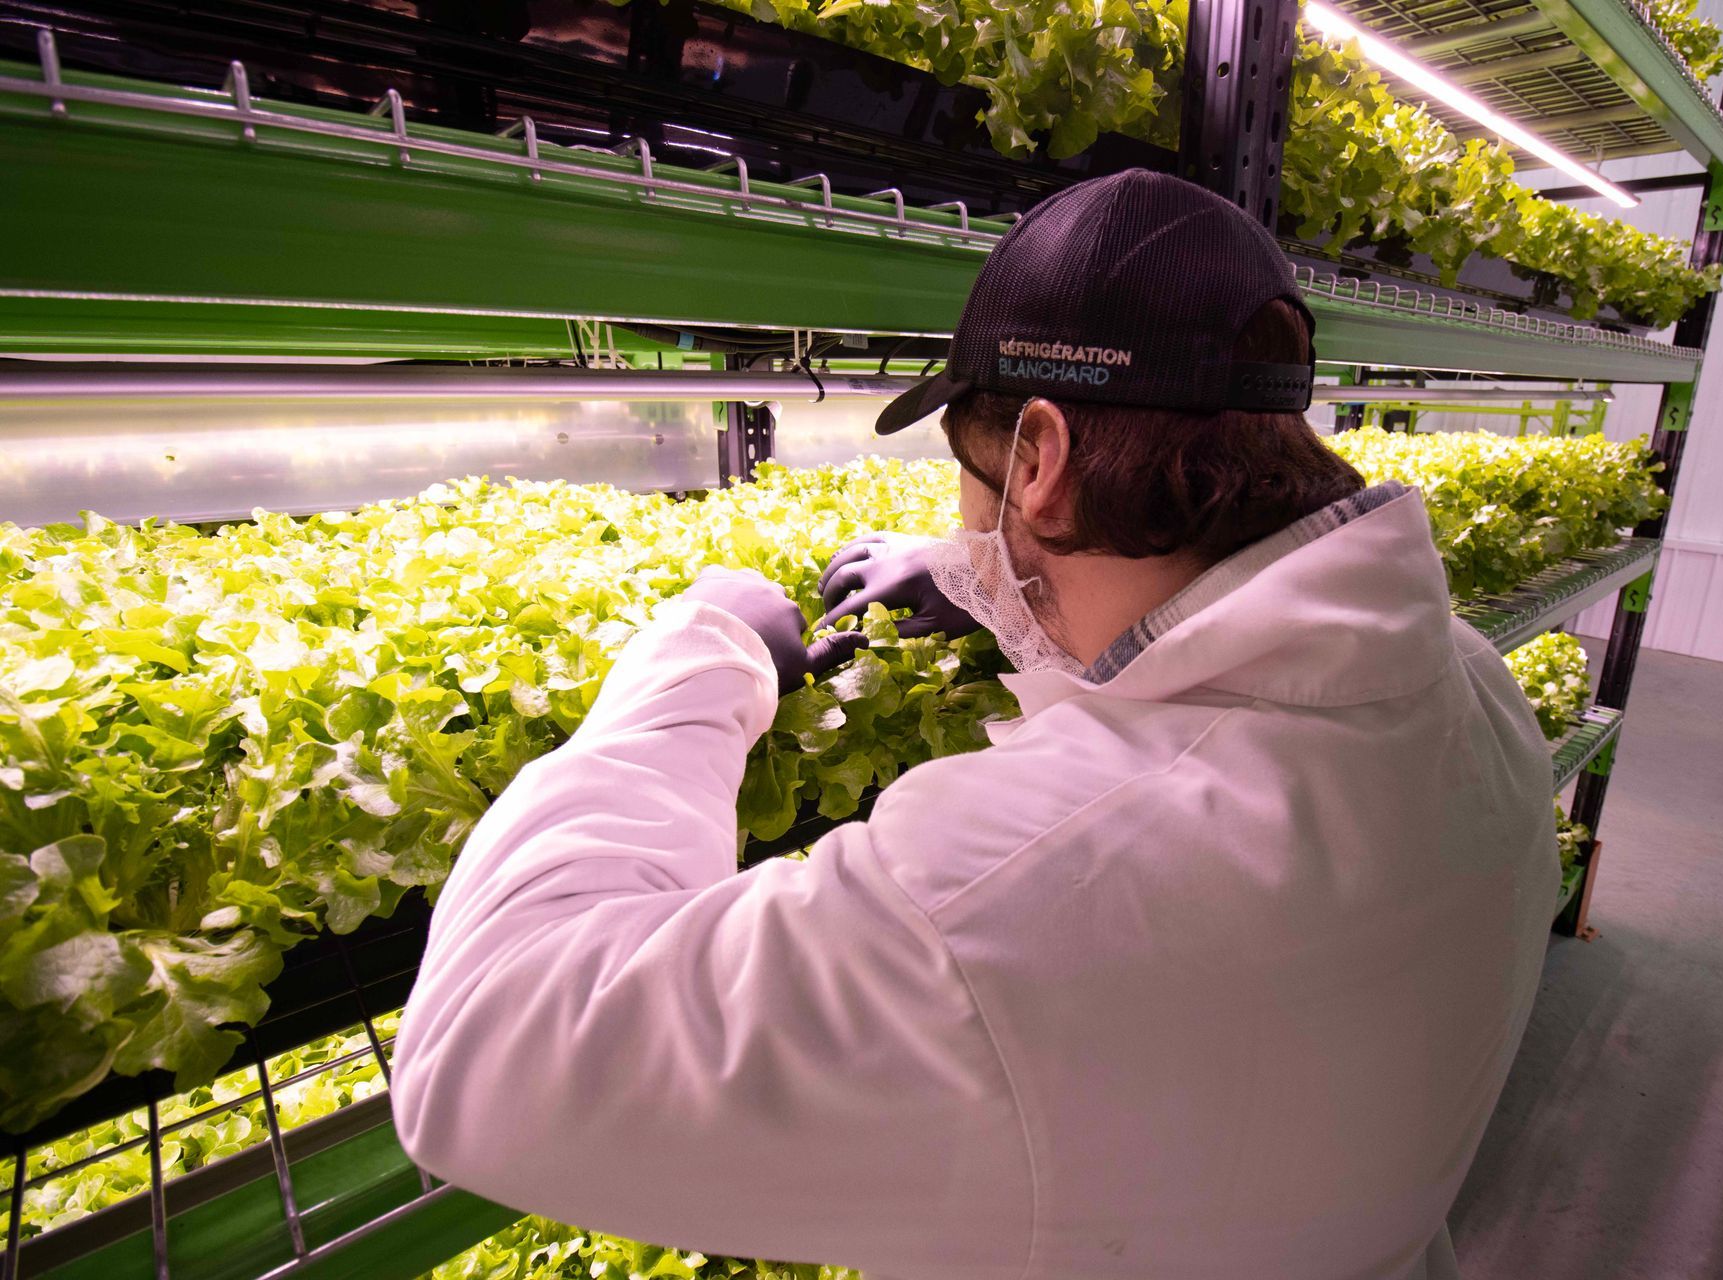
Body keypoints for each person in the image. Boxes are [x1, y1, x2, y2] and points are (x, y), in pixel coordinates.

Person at [391, 169, 1559, 1280]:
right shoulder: (1465, 689)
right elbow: (1191, 657)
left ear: (1041, 459)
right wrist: (990, 580)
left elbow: (486, 1045)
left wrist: (703, 653)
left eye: (972, 471)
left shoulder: (996, 894)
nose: (966, 520)